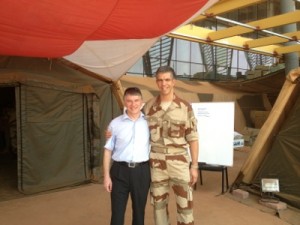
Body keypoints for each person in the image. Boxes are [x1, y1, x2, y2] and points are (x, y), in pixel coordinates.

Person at [143, 65, 199, 225]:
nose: (164, 84)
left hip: (179, 163)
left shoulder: (184, 107)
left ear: (174, 82)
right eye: (160, 80)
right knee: (158, 206)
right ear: (156, 82)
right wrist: (114, 131)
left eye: (167, 80)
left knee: (185, 205)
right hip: (156, 164)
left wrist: (194, 166)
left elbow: (193, 138)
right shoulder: (148, 107)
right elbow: (136, 129)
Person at [103, 87, 151, 225]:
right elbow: (107, 150)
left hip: (141, 171)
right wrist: (106, 176)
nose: (133, 104)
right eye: (129, 101)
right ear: (124, 102)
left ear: (142, 102)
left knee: (139, 212)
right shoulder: (115, 124)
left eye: (136, 100)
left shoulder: (149, 123)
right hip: (119, 171)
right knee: (117, 214)